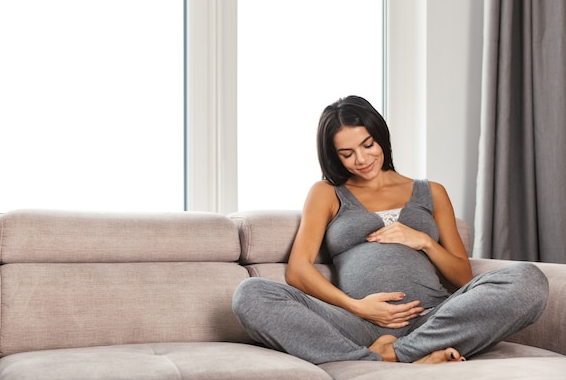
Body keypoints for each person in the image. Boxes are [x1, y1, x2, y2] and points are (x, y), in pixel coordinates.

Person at [232, 95, 549, 364]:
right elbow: (299, 271)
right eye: (347, 153)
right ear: (334, 156)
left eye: (367, 145)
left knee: (529, 280)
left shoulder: (432, 191)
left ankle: (394, 356)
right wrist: (358, 307)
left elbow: (463, 277)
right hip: (360, 323)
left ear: (380, 137)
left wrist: (424, 241)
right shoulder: (327, 192)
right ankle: (396, 356)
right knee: (251, 294)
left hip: (434, 317)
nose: (361, 159)